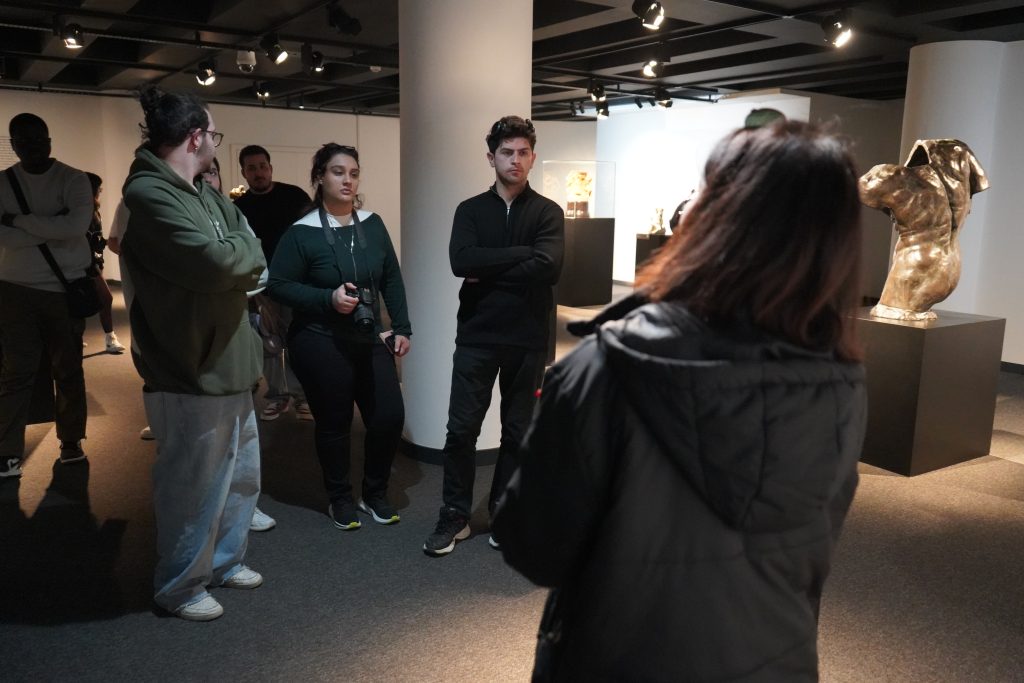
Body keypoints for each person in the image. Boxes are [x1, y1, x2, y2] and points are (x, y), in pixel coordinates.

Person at [493, 121, 868, 681]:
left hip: (618, 661)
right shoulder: (840, 380)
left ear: (713, 216)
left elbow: (534, 547)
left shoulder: (608, 367)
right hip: (774, 660)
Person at [121, 87, 266, 621]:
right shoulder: (149, 196)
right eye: (213, 135)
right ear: (195, 137)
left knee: (240, 476)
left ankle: (225, 562)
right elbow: (221, 264)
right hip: (191, 366)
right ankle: (180, 585)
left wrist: (238, 257)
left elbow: (245, 246)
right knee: (193, 486)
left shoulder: (202, 192)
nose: (215, 145)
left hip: (229, 357)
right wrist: (240, 259)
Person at [423, 115, 564, 556]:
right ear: (491, 158)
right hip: (477, 337)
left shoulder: (548, 212)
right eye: (507, 152)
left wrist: (489, 265)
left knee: (518, 432)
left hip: (528, 339)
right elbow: (461, 262)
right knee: (460, 431)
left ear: (533, 157)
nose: (515, 160)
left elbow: (549, 267)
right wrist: (523, 254)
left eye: (523, 152)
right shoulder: (470, 210)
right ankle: (455, 514)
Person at [267, 143, 411, 530]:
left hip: (368, 335)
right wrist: (326, 299)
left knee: (389, 416)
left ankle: (375, 493)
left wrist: (402, 326)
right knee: (335, 422)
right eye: (337, 172)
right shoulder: (302, 232)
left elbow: (392, 278)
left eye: (353, 173)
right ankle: (340, 498)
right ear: (319, 178)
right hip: (319, 338)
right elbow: (277, 284)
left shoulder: (372, 224)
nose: (347, 180)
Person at [0, 113, 92, 478]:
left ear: (49, 141)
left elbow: (76, 226)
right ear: (13, 145)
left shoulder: (73, 179)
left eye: (38, 139)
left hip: (62, 289)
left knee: (68, 370)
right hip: (14, 289)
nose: (32, 146)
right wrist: (54, 225)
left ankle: (71, 441)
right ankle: (7, 451)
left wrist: (16, 220)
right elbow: (6, 237)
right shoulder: (3, 182)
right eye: (23, 141)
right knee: (15, 373)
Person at [234, 144, 312, 422]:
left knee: (297, 341)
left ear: (270, 167)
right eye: (252, 168)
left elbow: (312, 234)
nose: (259, 173)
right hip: (260, 288)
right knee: (268, 345)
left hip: (294, 284)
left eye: (262, 166)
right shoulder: (238, 209)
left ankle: (302, 397)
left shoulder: (295, 196)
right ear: (243, 172)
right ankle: (278, 396)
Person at [83, 172, 126, 354]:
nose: (100, 191)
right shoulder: (82, 211)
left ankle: (75, 335)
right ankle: (110, 338)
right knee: (106, 298)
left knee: (84, 298)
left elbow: (95, 239)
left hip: (94, 261)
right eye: (98, 189)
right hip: (86, 263)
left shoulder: (94, 211)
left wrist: (106, 243)